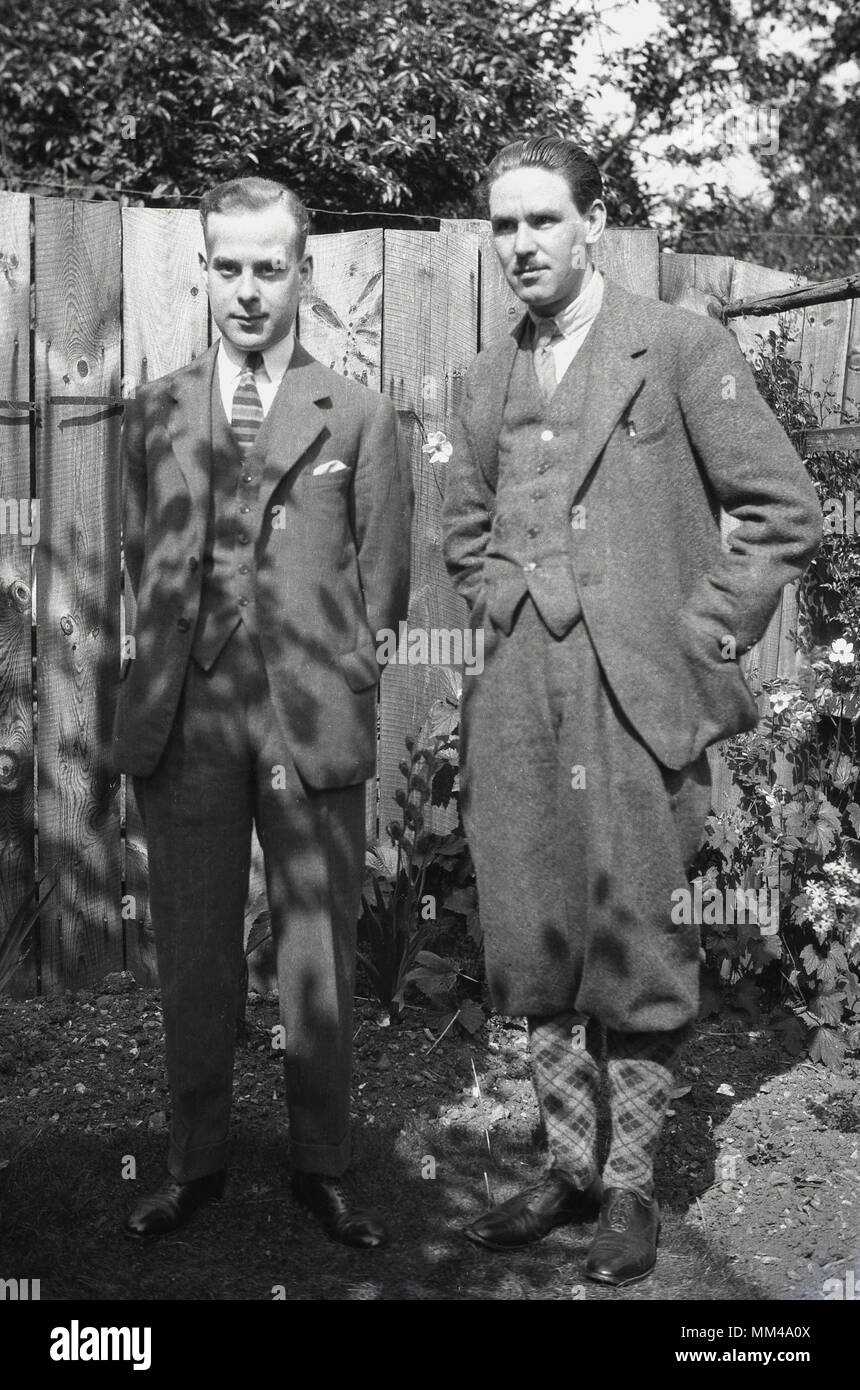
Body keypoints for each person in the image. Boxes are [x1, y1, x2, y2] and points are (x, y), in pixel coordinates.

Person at [442, 136, 820, 1285]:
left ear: (589, 224)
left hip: (637, 698)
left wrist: (698, 633)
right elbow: (461, 525)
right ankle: (564, 1168)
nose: (521, 246)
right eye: (503, 227)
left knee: (640, 937)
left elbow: (778, 509)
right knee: (531, 933)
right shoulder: (479, 377)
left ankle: (630, 1189)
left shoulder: (680, 345)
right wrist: (503, 602)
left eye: (541, 222)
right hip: (518, 698)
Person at [113, 177, 412, 1247]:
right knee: (193, 951)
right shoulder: (152, 411)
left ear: (302, 273)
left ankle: (319, 1166)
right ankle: (193, 1164)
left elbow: (382, 583)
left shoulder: (359, 414)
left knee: (315, 950)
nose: (247, 290)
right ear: (205, 270)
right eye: (227, 267)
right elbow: (139, 556)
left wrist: (329, 673)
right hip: (187, 712)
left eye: (268, 267)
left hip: (307, 715)